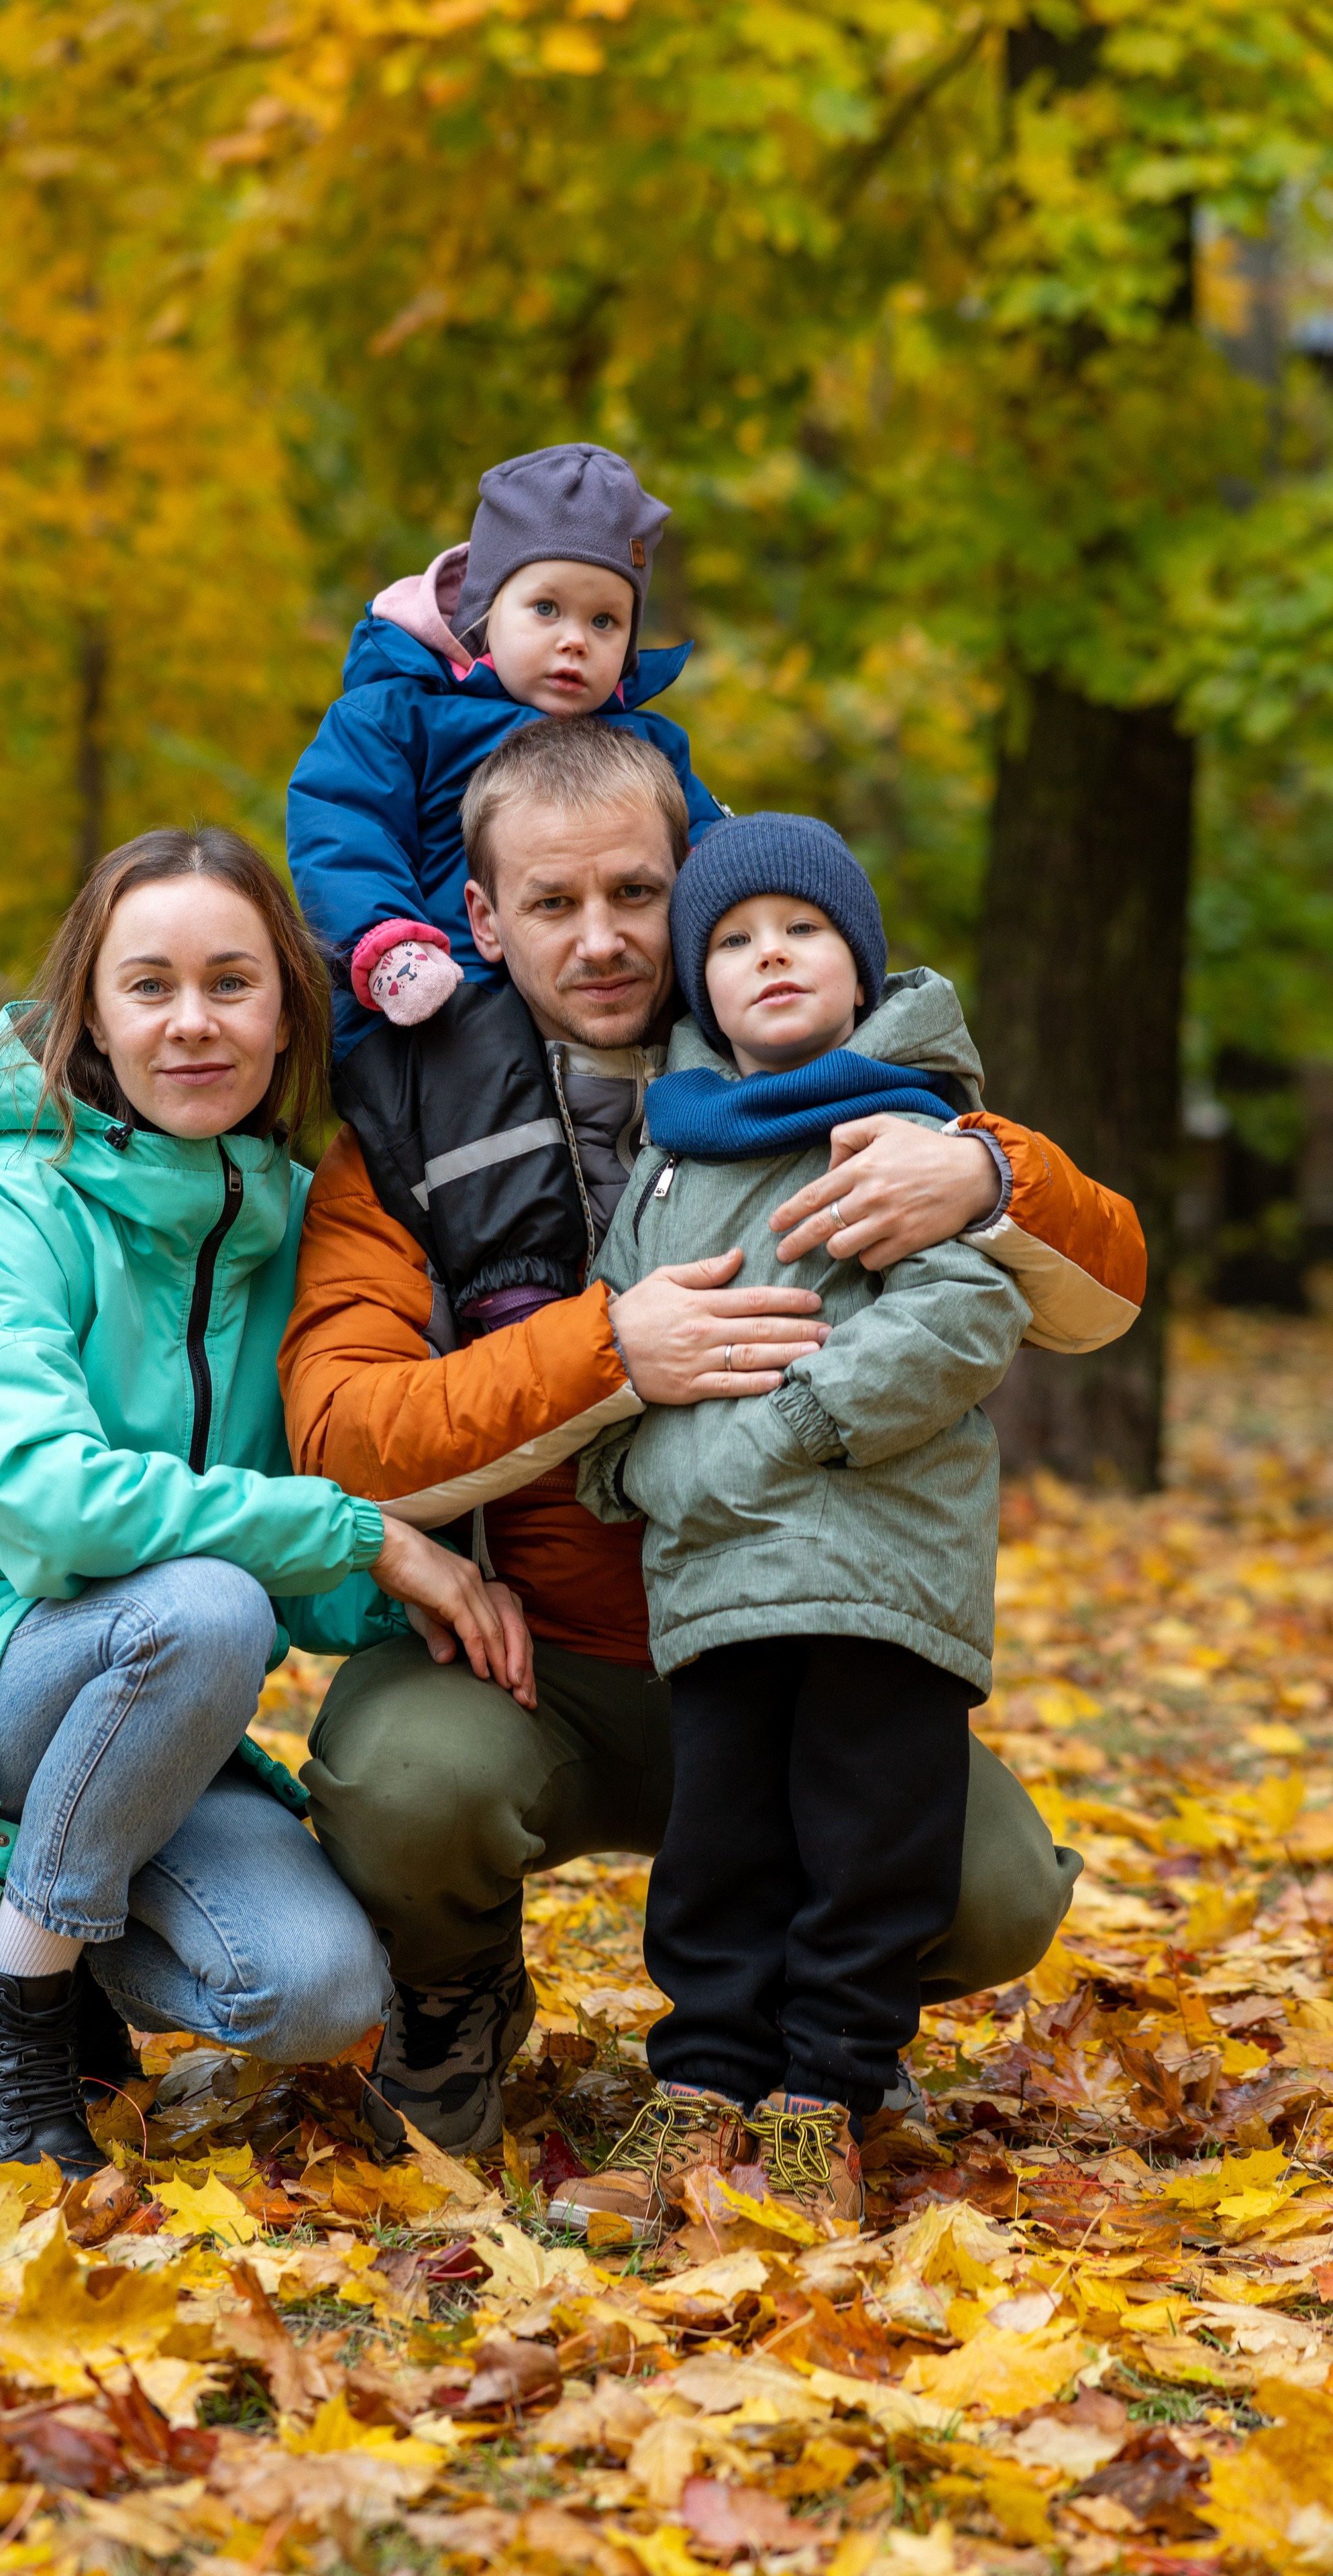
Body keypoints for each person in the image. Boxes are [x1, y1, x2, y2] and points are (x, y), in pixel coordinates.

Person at [280, 716, 1147, 2158]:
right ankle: (455, 1995)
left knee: (989, 1892)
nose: (605, 939)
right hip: (535, 1668)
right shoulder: (403, 1133)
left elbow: (1103, 1291)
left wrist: (990, 1173)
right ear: (482, 920)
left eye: (635, 893)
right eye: (552, 905)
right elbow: (346, 1437)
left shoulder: (819, 1060)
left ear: (684, 886)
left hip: (799, 1637)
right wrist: (610, 1352)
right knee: (402, 1785)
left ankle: (830, 2037)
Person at [0, 827, 530, 2180]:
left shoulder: (304, 1224)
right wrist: (355, 1535)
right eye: (149, 985)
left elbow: (326, 1564)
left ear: (290, 1011)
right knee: (204, 1602)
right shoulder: (12, 1209)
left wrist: (445, 1580)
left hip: (154, 1713)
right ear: (92, 1018)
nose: (192, 1023)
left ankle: (50, 1988)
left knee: (309, 1994)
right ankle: (14, 2028)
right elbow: (52, 1507)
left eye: (232, 984)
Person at [553, 814, 1035, 2240]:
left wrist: (803, 1419)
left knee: (865, 1838)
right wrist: (634, 1477)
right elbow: (618, 1346)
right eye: (732, 941)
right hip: (714, 1577)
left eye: (800, 931)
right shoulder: (666, 1158)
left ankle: (826, 2094)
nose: (768, 957)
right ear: (697, 986)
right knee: (722, 1845)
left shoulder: (903, 1126)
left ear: (859, 957)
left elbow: (965, 1314)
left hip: (878, 1567)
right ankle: (700, 2086)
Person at [288, 442, 723, 1338]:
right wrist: (386, 942)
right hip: (432, 997)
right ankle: (515, 1293)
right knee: (481, 1061)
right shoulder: (401, 712)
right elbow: (342, 829)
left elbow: (714, 847)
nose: (577, 640)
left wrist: (764, 920)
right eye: (548, 609)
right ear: (483, 613)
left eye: (607, 623)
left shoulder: (646, 746)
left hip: (581, 1005)